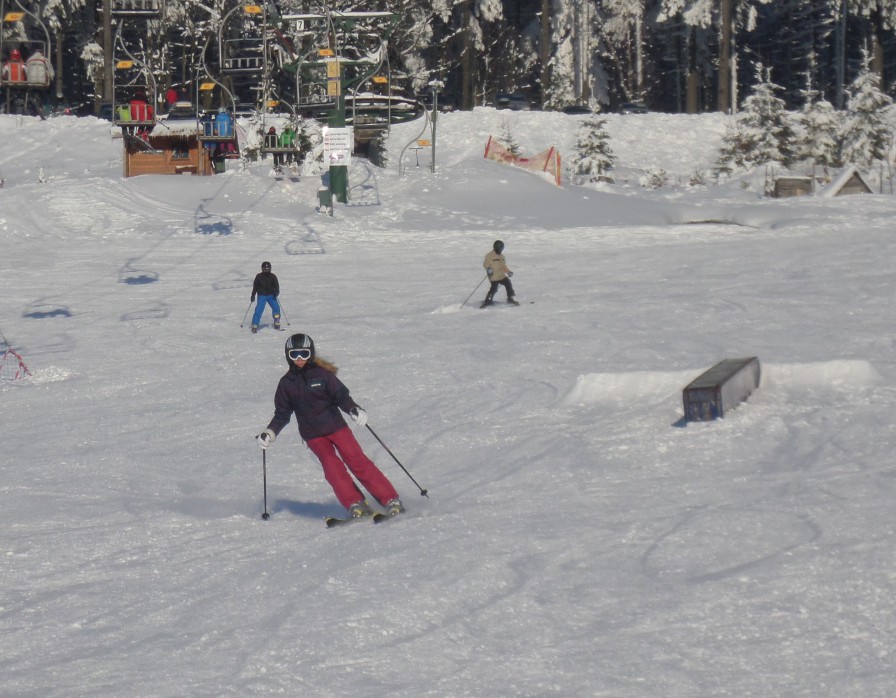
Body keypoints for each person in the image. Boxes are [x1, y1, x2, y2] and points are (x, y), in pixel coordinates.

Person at [257, 333, 403, 519]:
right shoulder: (286, 384)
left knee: (356, 460)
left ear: (310, 353)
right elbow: (282, 413)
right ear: (288, 356)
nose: (299, 358)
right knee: (332, 468)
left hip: (336, 427)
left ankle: (390, 499)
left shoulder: (322, 375)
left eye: (303, 353)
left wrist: (354, 409)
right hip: (313, 435)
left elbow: (341, 396)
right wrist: (270, 432)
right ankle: (355, 503)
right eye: (294, 354)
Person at [481, 239, 518, 307]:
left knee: (508, 284)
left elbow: (504, 266)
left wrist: (508, 272)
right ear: (495, 247)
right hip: (494, 276)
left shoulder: (502, 256)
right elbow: (485, 264)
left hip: (501, 275)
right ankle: (488, 301)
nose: (500, 249)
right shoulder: (490, 255)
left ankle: (510, 298)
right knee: (494, 288)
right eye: (499, 247)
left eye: (501, 248)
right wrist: (488, 268)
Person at [250, 261, 281, 333]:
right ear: (262, 269)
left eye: (268, 269)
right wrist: (253, 295)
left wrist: (276, 292)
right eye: (265, 269)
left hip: (271, 295)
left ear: (270, 268)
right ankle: (255, 324)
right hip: (262, 295)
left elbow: (276, 285)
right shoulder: (259, 276)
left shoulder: (273, 276)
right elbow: (255, 287)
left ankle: (276, 320)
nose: (266, 270)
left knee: (276, 307)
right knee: (259, 309)